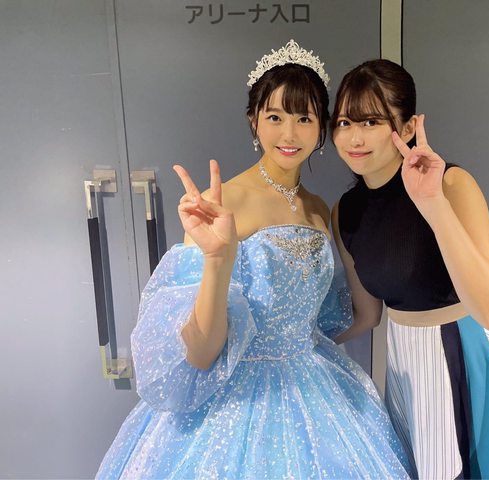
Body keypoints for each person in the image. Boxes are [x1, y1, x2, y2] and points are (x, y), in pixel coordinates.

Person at [96, 41, 413, 479]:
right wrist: (218, 258)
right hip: (233, 406)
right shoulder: (220, 204)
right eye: (275, 117)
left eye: (304, 118)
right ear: (254, 121)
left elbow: (353, 316)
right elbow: (201, 353)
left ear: (321, 127)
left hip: (318, 391)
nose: (290, 134)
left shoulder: (320, 209)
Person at [331, 59, 489, 480]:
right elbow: (367, 314)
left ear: (408, 128)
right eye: (343, 122)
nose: (353, 138)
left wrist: (431, 203)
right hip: (405, 360)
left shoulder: (451, 184)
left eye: (371, 121)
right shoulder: (347, 212)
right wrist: (297, 343)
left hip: (465, 351)